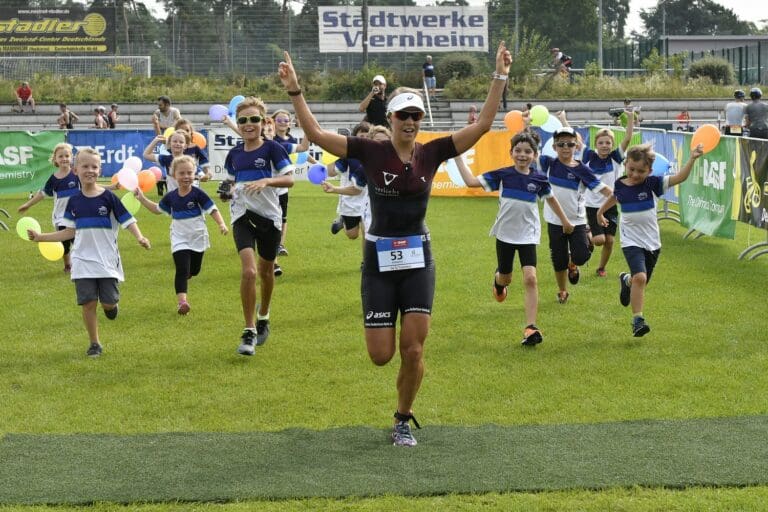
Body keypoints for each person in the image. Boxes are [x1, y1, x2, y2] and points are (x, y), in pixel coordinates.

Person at [278, 41, 511, 447]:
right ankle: (384, 341)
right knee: (381, 354)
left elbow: (484, 125)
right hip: (379, 258)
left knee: (415, 350)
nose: (410, 121)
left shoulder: (433, 152)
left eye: (416, 115)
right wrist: (296, 91)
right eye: (403, 114)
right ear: (390, 117)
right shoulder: (370, 151)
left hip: (419, 257)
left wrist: (500, 76)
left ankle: (402, 418)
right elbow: (314, 133)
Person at [26, 147, 151, 357]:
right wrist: (41, 237)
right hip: (82, 260)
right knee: (88, 303)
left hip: (107, 261)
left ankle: (111, 307)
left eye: (94, 166)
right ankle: (94, 343)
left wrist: (140, 237)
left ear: (100, 169)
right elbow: (68, 232)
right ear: (76, 170)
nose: (90, 170)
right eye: (85, 166)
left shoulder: (109, 198)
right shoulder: (74, 202)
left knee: (108, 303)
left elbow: (127, 219)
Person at [453, 131, 573, 346]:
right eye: (518, 150)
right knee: (506, 277)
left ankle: (531, 327)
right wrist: (457, 156)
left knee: (530, 278)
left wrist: (565, 221)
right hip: (505, 235)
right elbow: (471, 182)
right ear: (511, 152)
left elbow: (552, 200)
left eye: (528, 151)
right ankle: (499, 283)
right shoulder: (503, 174)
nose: (522, 155)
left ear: (534, 155)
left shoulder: (539, 179)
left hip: (528, 235)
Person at [597, 143, 704, 337]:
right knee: (641, 277)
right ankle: (638, 320)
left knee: (640, 281)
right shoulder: (621, 183)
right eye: (631, 169)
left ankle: (626, 280)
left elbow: (680, 177)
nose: (635, 174)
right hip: (631, 241)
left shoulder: (653, 184)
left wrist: (692, 159)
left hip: (652, 243)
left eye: (641, 171)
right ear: (626, 164)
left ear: (650, 171)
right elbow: (615, 196)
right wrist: (600, 211)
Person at [221, 96, 294, 356]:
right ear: (238, 124)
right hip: (242, 215)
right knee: (250, 272)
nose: (248, 124)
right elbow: (230, 182)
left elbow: (289, 180)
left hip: (269, 219)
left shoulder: (273, 149)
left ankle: (264, 315)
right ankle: (249, 330)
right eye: (243, 120)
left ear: (263, 122)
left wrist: (266, 182)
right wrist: (226, 191)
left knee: (265, 272)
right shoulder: (234, 154)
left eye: (254, 119)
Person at [134, 155, 228, 315]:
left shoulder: (198, 193)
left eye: (189, 173)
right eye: (182, 173)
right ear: (173, 175)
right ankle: (182, 302)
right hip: (179, 238)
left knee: (195, 270)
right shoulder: (171, 197)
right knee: (182, 269)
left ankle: (188, 275)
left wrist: (221, 224)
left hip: (198, 237)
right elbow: (157, 210)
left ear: (194, 174)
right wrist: (142, 198)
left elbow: (212, 209)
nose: (186, 176)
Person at [537, 127, 612, 304]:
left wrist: (624, 197)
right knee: (558, 259)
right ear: (554, 146)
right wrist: (524, 125)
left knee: (581, 257)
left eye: (570, 144)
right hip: (554, 221)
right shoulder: (548, 163)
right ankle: (562, 290)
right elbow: (528, 149)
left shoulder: (583, 170)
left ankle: (574, 261)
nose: (565, 147)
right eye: (561, 144)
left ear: (576, 146)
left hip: (577, 221)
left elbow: (605, 191)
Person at [578, 107, 634, 277]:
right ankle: (587, 233)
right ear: (596, 145)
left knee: (609, 241)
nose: (604, 145)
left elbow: (628, 138)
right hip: (592, 205)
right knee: (599, 240)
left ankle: (601, 268)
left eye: (608, 142)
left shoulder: (615, 158)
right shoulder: (588, 156)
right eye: (601, 143)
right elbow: (577, 141)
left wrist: (630, 118)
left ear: (612, 145)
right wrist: (564, 121)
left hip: (610, 204)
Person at [18, 143, 79, 273]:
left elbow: (92, 186)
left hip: (78, 215)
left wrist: (112, 187)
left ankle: (80, 264)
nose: (64, 159)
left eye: (67, 155)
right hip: (61, 217)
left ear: (72, 157)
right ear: (55, 159)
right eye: (60, 156)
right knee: (65, 243)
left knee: (78, 241)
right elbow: (42, 194)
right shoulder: (54, 179)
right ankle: (68, 265)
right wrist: (28, 204)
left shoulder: (76, 174)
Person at [323, 122, 372, 241]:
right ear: (355, 137)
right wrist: (329, 156)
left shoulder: (375, 153)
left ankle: (366, 260)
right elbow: (332, 172)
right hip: (350, 199)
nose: (364, 139)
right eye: (362, 136)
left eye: (367, 136)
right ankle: (342, 221)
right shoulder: (348, 154)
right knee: (352, 235)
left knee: (367, 231)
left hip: (369, 198)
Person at [143, 129, 191, 194]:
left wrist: (205, 175)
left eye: (181, 142)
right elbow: (146, 155)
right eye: (174, 141)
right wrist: (156, 140)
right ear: (169, 144)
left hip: (187, 197)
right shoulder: (166, 159)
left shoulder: (189, 162)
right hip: (172, 198)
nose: (177, 144)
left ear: (185, 146)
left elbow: (199, 176)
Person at [173, 118, 213, 183]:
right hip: (176, 184)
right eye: (181, 130)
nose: (184, 132)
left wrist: (208, 174)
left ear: (191, 133)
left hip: (193, 184)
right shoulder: (171, 149)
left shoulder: (194, 147)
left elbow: (205, 163)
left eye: (187, 130)